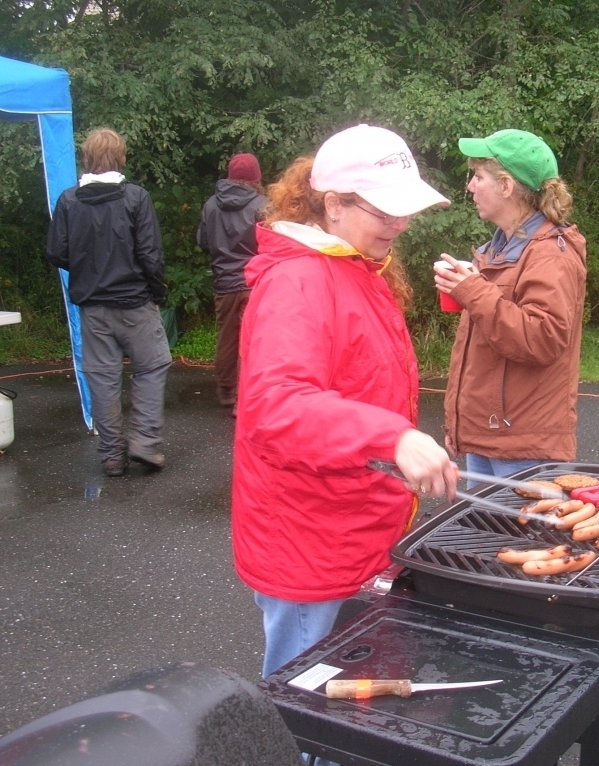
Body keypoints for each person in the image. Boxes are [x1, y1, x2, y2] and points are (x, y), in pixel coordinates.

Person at [232, 124, 458, 683]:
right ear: (332, 204)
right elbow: (279, 406)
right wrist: (394, 439)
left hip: (351, 527)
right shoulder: (300, 282)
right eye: (385, 211)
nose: (401, 225)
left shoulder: (352, 267)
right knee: (312, 705)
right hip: (310, 543)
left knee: (348, 697)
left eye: (405, 211)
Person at [436, 129, 587, 482]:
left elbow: (542, 338)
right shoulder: (500, 247)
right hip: (488, 439)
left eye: (479, 177)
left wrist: (473, 290)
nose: (470, 187)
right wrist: (460, 426)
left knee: (521, 539)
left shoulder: (551, 252)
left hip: (524, 450)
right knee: (485, 537)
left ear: (506, 187)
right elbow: (491, 347)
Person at [46, 127, 171, 477]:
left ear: (86, 157)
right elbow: (150, 253)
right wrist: (157, 292)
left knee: (102, 378)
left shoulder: (69, 201)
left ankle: (113, 455)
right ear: (120, 156)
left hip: (93, 307)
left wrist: (86, 269)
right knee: (153, 365)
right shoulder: (135, 197)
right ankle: (144, 442)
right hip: (135, 303)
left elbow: (56, 251)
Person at [196, 152, 268, 411]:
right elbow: (271, 243)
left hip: (224, 282)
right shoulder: (263, 205)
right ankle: (245, 399)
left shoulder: (211, 205)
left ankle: (227, 392)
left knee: (227, 337)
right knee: (252, 340)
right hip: (255, 281)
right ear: (255, 177)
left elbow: (203, 242)